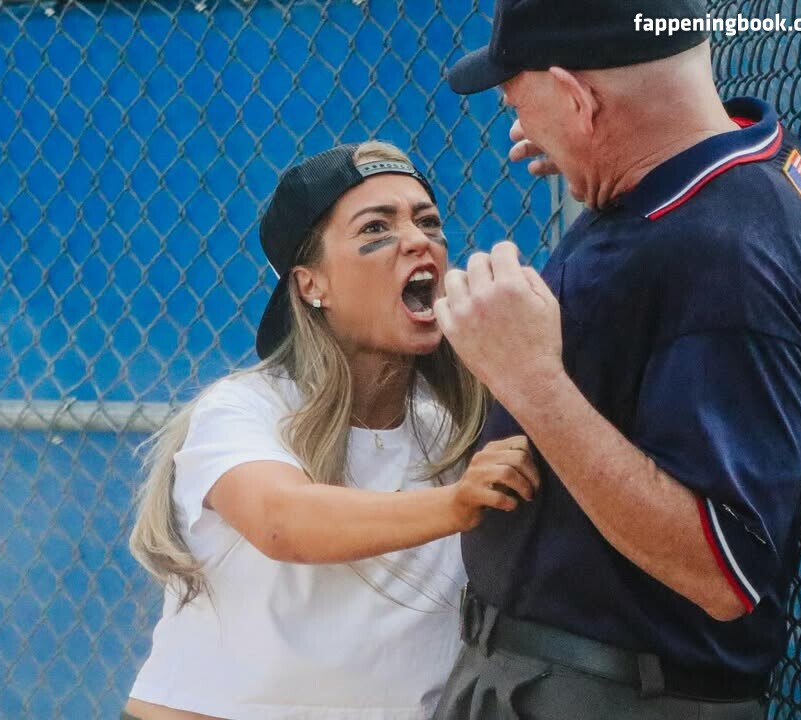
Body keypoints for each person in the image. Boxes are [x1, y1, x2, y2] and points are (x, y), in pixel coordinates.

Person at [431, 0, 801, 718]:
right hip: (569, 679)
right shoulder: (714, 170)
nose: (516, 124)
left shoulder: (725, 252)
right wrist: (590, 146)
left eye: (518, 102)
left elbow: (725, 572)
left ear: (579, 97)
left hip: (612, 694)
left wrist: (531, 381)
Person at [123, 141, 540, 720]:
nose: (418, 240)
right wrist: (456, 504)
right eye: (377, 227)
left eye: (427, 222)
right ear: (311, 284)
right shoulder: (247, 408)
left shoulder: (456, 430)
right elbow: (282, 521)